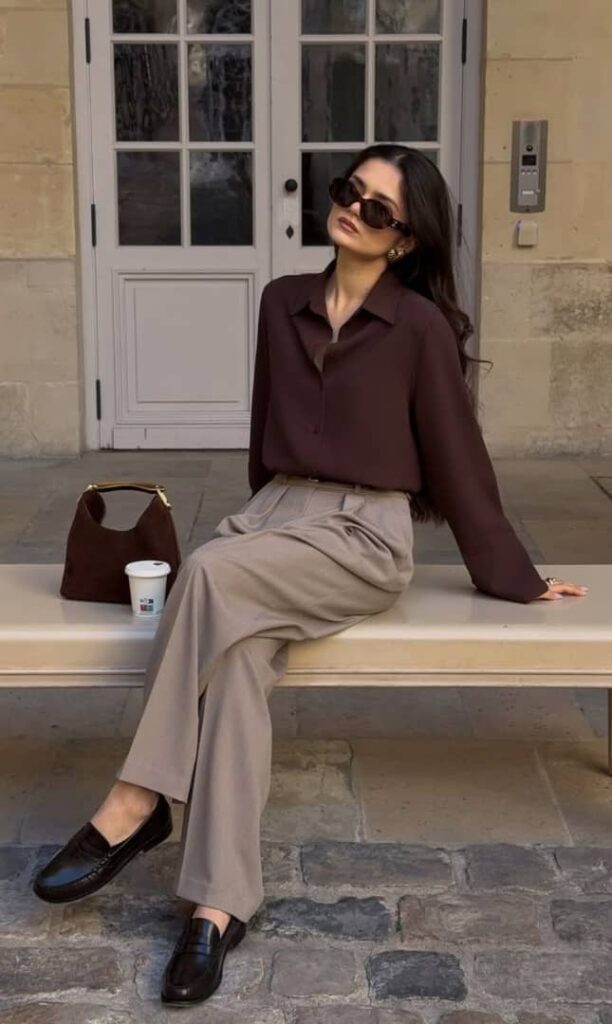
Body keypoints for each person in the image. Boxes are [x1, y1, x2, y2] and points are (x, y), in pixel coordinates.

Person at [31, 143, 588, 1007]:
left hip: (364, 536)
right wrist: (266, 523)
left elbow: (460, 459)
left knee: (209, 576)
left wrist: (515, 574)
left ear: (404, 241)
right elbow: (264, 434)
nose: (353, 211)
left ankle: (135, 800)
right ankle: (217, 908)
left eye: (377, 210)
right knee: (239, 663)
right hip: (276, 521)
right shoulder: (280, 301)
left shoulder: (420, 328)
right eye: (349, 192)